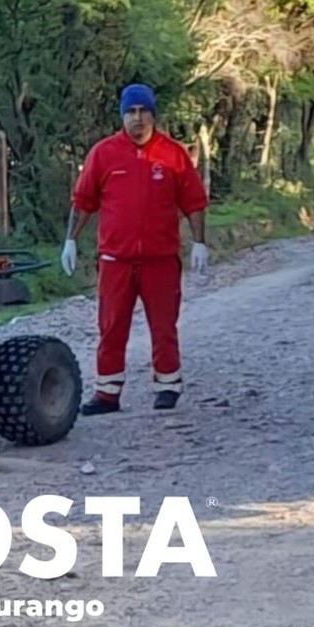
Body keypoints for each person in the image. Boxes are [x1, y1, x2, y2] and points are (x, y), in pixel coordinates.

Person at [62, 83, 209, 414]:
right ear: (122, 116)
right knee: (111, 326)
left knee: (163, 325)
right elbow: (83, 201)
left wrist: (200, 242)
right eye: (131, 112)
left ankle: (168, 385)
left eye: (143, 111)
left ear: (153, 115)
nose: (138, 118)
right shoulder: (103, 153)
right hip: (116, 260)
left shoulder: (173, 154)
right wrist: (70, 239)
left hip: (160, 260)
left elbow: (194, 201)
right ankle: (107, 393)